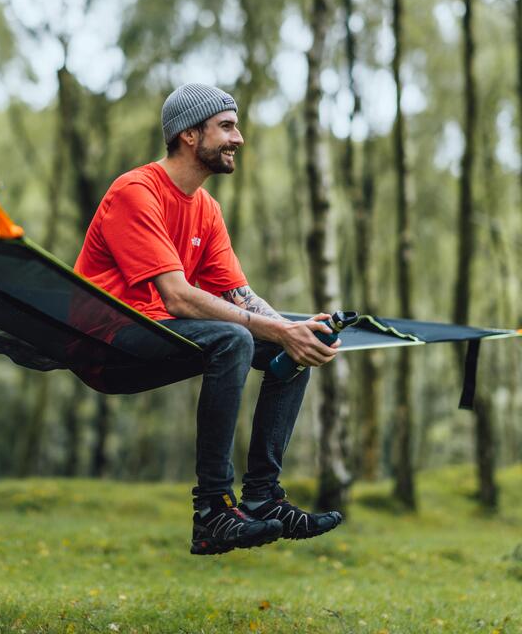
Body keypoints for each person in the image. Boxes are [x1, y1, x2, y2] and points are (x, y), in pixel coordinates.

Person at [74, 83, 343, 555]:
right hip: (107, 343)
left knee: (286, 344)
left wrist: (292, 331)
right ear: (189, 135)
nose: (238, 137)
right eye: (226, 126)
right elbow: (178, 297)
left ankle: (262, 498)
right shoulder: (136, 193)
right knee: (234, 339)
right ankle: (212, 511)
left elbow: (238, 293)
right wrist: (280, 328)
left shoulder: (206, 209)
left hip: (164, 336)